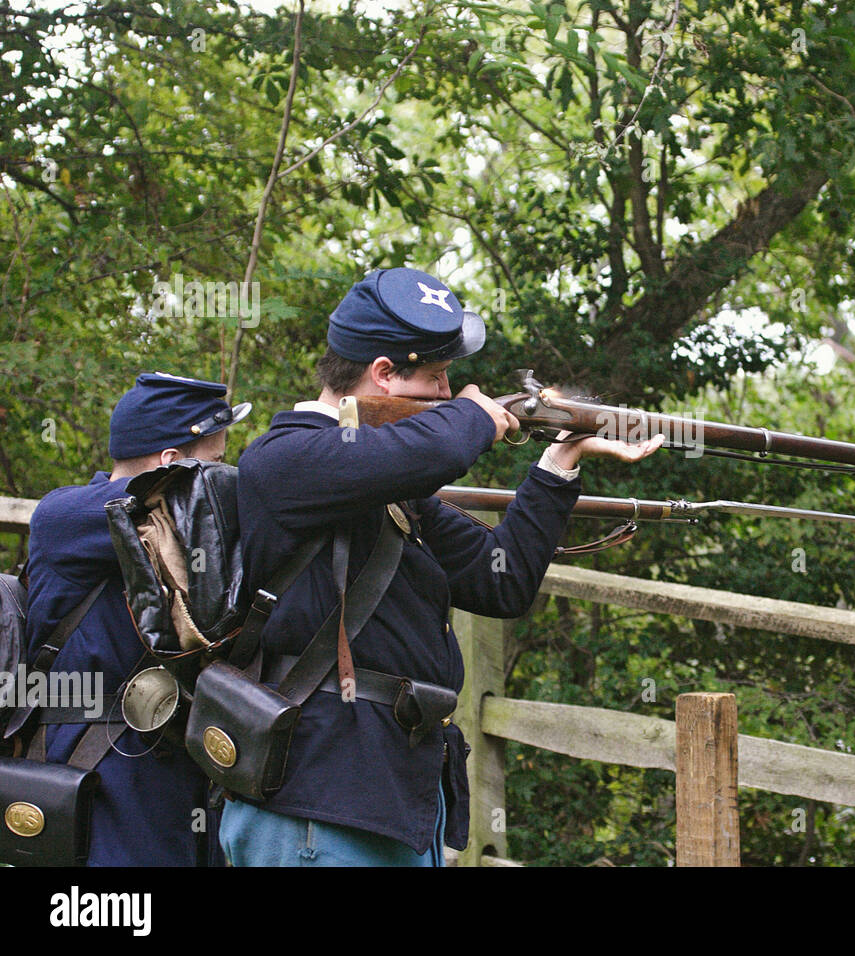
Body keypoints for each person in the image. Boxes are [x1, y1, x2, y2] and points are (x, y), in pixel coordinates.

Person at [221, 267, 661, 866]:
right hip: (317, 806)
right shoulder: (286, 458)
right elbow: (442, 444)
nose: (449, 394)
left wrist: (561, 460)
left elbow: (501, 580)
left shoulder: (391, 486)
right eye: (436, 377)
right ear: (383, 375)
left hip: (392, 799)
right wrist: (481, 415)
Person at [22, 372, 251, 866]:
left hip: (178, 767)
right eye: (213, 463)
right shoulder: (66, 519)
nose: (222, 473)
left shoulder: (193, 533)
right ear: (173, 465)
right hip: (98, 767)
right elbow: (147, 509)